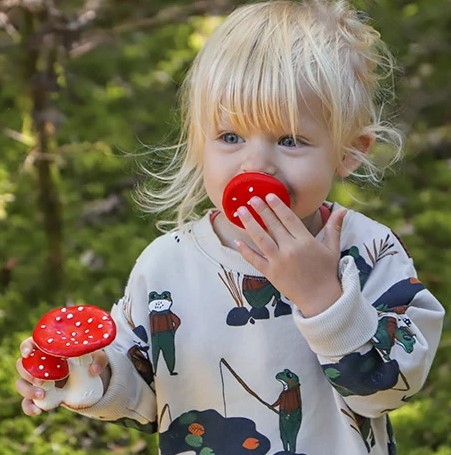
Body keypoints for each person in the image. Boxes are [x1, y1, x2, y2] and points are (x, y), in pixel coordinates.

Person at [16, 1, 445, 454]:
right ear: (200, 142)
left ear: (348, 152)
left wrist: (325, 300)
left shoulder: (369, 251)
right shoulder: (168, 264)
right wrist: (82, 374)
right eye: (231, 137)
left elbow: (388, 390)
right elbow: (144, 394)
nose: (255, 164)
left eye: (290, 140)